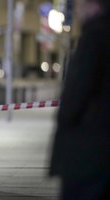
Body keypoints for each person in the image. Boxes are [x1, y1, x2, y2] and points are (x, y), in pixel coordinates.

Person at [49, 0, 110, 199]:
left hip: (89, 148)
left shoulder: (94, 35)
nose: (77, 10)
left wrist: (64, 119)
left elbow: (77, 91)